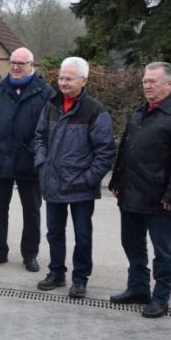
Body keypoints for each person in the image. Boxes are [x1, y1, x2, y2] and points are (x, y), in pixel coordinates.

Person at [108, 62, 171, 318]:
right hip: (131, 194)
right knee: (132, 244)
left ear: (169, 84)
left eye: (153, 81)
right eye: (145, 81)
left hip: (160, 200)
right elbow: (126, 150)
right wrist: (117, 181)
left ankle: (160, 298)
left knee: (162, 252)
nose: (147, 85)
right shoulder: (139, 112)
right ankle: (138, 288)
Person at [33, 57, 116, 298]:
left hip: (81, 187)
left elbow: (106, 152)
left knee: (82, 235)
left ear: (84, 80)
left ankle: (80, 279)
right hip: (53, 183)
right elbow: (39, 137)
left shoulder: (95, 111)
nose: (63, 82)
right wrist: (42, 163)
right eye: (61, 77)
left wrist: (88, 179)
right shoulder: (51, 106)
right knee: (54, 233)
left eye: (69, 78)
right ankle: (56, 273)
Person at [0, 47, 54, 272]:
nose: (15, 67)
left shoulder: (45, 92)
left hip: (29, 163)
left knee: (31, 211)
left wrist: (35, 152)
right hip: (0, 160)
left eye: (21, 63)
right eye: (13, 62)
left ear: (32, 65)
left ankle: (30, 254)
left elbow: (49, 128)